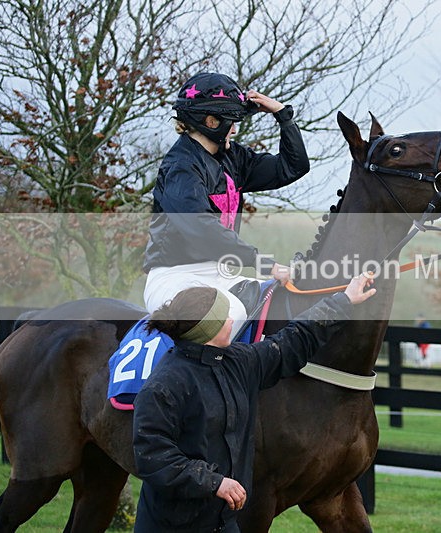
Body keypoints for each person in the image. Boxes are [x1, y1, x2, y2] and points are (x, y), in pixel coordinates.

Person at [132, 273, 376, 533]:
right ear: (210, 329)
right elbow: (154, 458)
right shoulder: (163, 386)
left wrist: (344, 301)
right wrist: (214, 483)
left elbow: (293, 340)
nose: (233, 317)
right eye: (226, 314)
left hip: (223, 523)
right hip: (172, 526)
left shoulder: (237, 361)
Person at [143, 71, 311, 338]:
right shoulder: (181, 168)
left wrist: (282, 115)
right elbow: (204, 233)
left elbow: (293, 166)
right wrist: (266, 265)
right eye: (231, 121)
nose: (234, 128)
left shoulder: (234, 158)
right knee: (227, 317)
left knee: (283, 303)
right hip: (175, 279)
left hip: (222, 275)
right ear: (210, 121)